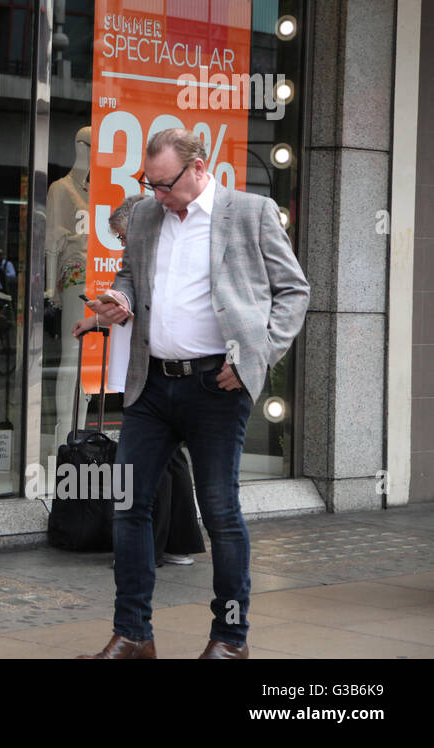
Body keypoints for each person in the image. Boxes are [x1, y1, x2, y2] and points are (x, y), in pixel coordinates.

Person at [79, 128, 309, 659]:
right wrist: (119, 298)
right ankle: (133, 634)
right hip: (152, 383)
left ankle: (230, 639)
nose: (155, 194)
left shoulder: (252, 212)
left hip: (216, 386)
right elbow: (130, 274)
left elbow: (294, 290)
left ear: (199, 167)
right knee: (129, 505)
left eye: (163, 184)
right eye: (148, 183)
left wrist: (256, 357)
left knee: (221, 511)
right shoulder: (142, 215)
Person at [75, 194, 206, 567]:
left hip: (152, 370)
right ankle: (179, 542)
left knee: (151, 461)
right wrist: (96, 319)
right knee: (170, 460)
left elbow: (148, 311)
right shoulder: (143, 261)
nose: (121, 244)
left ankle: (149, 547)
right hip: (148, 369)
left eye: (121, 236)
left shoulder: (159, 260)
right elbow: (130, 308)